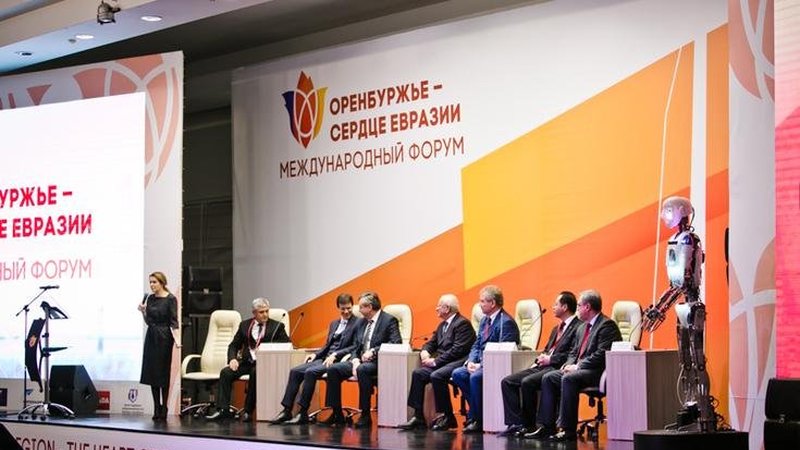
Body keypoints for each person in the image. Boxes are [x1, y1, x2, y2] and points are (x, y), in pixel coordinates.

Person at [528, 289, 622, 441]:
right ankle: (547, 426)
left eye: (579, 306)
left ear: (587, 307)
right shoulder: (582, 327)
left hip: (597, 371)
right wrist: (568, 365)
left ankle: (568, 430)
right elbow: (573, 352)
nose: (577, 309)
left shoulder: (606, 325)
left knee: (569, 378)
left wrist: (577, 366)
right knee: (549, 377)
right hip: (580, 369)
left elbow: (602, 355)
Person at [270, 293, 360, 425]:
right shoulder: (334, 323)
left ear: (352, 306)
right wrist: (316, 355)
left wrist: (336, 354)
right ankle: (287, 410)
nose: (346, 311)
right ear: (338, 308)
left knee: (310, 372)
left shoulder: (358, 323)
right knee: (295, 371)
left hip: (339, 360)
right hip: (325, 358)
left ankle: (303, 413)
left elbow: (355, 346)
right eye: (343, 309)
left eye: (349, 308)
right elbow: (327, 345)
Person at [499, 291, 581, 437]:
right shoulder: (557, 328)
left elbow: (572, 355)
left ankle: (529, 425)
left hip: (557, 367)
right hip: (543, 365)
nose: (553, 307)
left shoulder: (578, 327)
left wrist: (551, 359)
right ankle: (515, 423)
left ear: (565, 307)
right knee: (507, 381)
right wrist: (540, 358)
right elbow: (548, 349)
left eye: (556, 304)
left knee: (527, 382)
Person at [320, 291, 401, 429]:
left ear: (369, 307)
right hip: (359, 361)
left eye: (361, 307)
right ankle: (337, 414)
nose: (358, 310)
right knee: (334, 369)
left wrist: (374, 351)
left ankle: (365, 415)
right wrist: (355, 359)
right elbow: (356, 346)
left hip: (378, 361)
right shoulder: (362, 322)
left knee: (362, 369)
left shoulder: (388, 320)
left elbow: (396, 342)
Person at [398, 294, 476, 431]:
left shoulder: (462, 324)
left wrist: (435, 361)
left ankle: (448, 416)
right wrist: (425, 351)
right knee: (418, 373)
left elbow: (457, 350)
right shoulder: (442, 325)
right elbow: (431, 343)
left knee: (437, 376)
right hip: (443, 362)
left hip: (458, 361)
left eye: (439, 306)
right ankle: (418, 417)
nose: (436, 309)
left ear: (447, 308)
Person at [205, 297, 290, 421]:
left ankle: (248, 411)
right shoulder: (244, 325)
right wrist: (232, 359)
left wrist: (269, 349)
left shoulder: (277, 326)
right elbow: (233, 345)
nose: (265, 314)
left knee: (255, 372)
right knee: (226, 372)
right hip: (247, 362)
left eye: (267, 311)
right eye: (261, 312)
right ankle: (223, 410)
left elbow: (286, 345)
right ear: (254, 313)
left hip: (264, 364)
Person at [451, 285, 520, 433]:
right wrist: (471, 361)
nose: (479, 304)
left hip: (495, 366)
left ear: (493, 303)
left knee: (475, 377)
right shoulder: (484, 321)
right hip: (479, 364)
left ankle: (477, 419)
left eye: (482, 301)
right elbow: (477, 344)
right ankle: (478, 412)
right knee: (458, 373)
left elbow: (501, 353)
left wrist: (481, 365)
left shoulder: (506, 322)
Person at [138, 271, 180, 422]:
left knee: (162, 372)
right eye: (150, 282)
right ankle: (156, 406)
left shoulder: (170, 299)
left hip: (164, 337)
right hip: (151, 336)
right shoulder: (150, 298)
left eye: (154, 282)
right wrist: (143, 312)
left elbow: (174, 321)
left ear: (162, 283)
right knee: (152, 373)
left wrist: (177, 339)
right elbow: (149, 321)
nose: (152, 285)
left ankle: (164, 407)